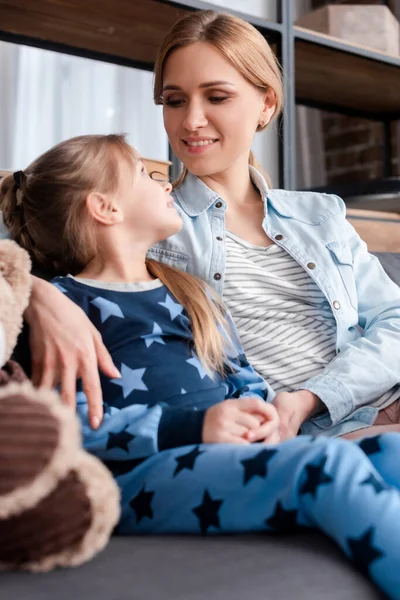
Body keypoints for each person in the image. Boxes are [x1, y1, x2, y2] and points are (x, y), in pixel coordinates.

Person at [1, 133, 400, 599]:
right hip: (134, 477)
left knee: (389, 455)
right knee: (325, 465)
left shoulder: (192, 292)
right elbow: (63, 426)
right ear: (105, 208)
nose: (166, 183)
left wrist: (262, 418)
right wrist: (192, 427)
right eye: (146, 176)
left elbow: (243, 379)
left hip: (226, 455)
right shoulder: (62, 310)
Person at [2, 10, 400, 439]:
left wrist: (317, 394)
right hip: (314, 440)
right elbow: (36, 229)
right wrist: (40, 294)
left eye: (216, 97)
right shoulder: (147, 228)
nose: (190, 121)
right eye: (174, 100)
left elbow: (394, 318)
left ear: (265, 104)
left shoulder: (320, 214)